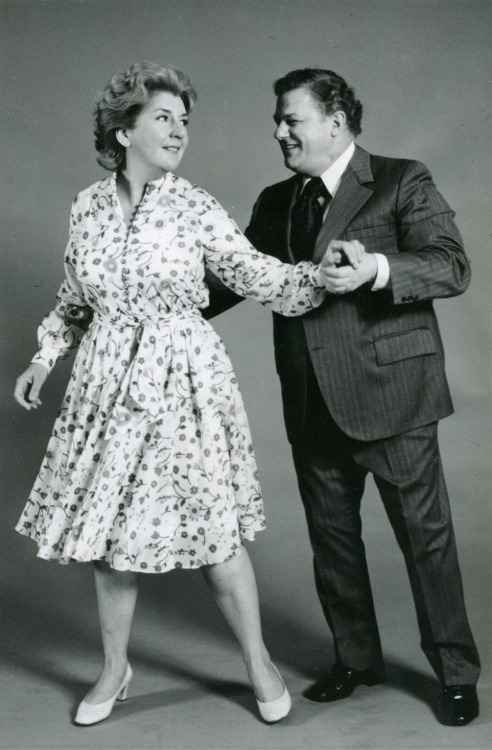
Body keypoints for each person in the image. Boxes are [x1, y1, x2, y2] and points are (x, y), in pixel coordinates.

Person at [13, 61, 360, 727]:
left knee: (215, 531)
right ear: (123, 132)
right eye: (164, 118)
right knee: (110, 534)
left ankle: (256, 660)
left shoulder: (194, 206)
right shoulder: (86, 208)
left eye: (184, 121)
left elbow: (254, 273)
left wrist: (321, 277)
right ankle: (115, 670)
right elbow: (73, 301)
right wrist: (43, 358)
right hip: (107, 384)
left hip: (183, 382)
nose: (178, 132)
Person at [204, 68, 480, 726]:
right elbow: (235, 278)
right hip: (311, 402)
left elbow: (451, 262)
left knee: (426, 541)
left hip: (397, 398)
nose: (279, 131)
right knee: (333, 542)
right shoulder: (277, 201)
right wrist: (152, 299)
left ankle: (456, 673)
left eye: (290, 120)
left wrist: (378, 269)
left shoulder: (400, 179)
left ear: (336, 122)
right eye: (278, 119)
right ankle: (356, 658)